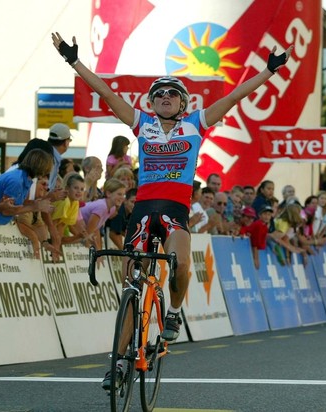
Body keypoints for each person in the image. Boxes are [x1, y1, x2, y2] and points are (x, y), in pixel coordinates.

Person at [52, 31, 292, 388]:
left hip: (176, 211)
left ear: (182, 103)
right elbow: (104, 92)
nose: (165, 97)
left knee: (179, 265)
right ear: (152, 102)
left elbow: (236, 96)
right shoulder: (141, 124)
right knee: (132, 285)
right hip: (143, 212)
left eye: (172, 94)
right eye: (159, 94)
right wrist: (73, 60)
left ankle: (174, 314)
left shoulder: (196, 123)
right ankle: (118, 362)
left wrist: (269, 71)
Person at [0, 149, 54, 225]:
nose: (47, 174)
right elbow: (6, 210)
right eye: (47, 170)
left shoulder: (24, 178)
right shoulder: (17, 181)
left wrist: (34, 203)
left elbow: (16, 203)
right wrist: (35, 207)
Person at [79, 178, 127, 251]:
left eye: (124, 195)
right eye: (119, 194)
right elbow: (90, 230)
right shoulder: (102, 207)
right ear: (108, 194)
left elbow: (96, 228)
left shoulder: (112, 208)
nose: (122, 198)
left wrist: (99, 250)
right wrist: (96, 250)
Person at [52, 172, 92, 247]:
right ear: (67, 188)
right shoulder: (64, 201)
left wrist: (79, 236)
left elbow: (61, 227)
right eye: (76, 188)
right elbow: (53, 226)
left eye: (82, 189)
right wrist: (55, 246)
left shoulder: (75, 203)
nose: (79, 191)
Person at [240, 205, 272, 269]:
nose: (267, 217)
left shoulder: (264, 227)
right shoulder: (258, 224)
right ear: (259, 215)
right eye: (265, 214)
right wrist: (256, 258)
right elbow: (255, 243)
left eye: (269, 215)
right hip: (248, 246)